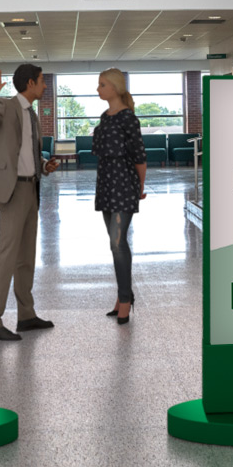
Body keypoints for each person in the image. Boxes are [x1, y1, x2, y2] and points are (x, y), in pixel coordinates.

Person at [0, 64, 61, 341]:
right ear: (29, 83)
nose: (45, 85)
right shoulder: (5, 105)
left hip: (31, 187)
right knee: (7, 255)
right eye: (41, 81)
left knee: (26, 257)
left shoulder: (32, 113)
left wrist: (43, 164)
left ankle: (26, 315)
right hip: (12, 190)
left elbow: (25, 152)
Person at [92, 68, 147, 325]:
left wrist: (140, 187)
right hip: (105, 185)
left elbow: (139, 157)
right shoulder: (105, 117)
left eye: (102, 85)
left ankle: (125, 300)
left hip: (124, 186)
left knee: (117, 242)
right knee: (115, 244)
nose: (98, 89)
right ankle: (123, 295)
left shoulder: (129, 119)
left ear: (114, 88)